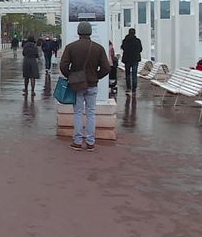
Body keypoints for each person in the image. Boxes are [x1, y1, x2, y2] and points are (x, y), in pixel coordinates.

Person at [60, 22, 111, 152]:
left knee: (77, 112)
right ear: (90, 32)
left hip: (77, 85)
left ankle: (77, 141)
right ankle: (90, 142)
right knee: (91, 113)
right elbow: (106, 68)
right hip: (92, 84)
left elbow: (63, 66)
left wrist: (71, 76)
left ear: (78, 32)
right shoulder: (98, 48)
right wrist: (96, 76)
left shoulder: (71, 47)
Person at [120, 28, 143, 96]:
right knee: (134, 75)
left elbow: (122, 47)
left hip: (127, 59)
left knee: (127, 74)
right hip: (135, 59)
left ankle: (128, 88)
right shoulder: (137, 41)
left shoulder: (125, 40)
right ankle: (134, 89)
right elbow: (140, 49)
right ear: (134, 33)